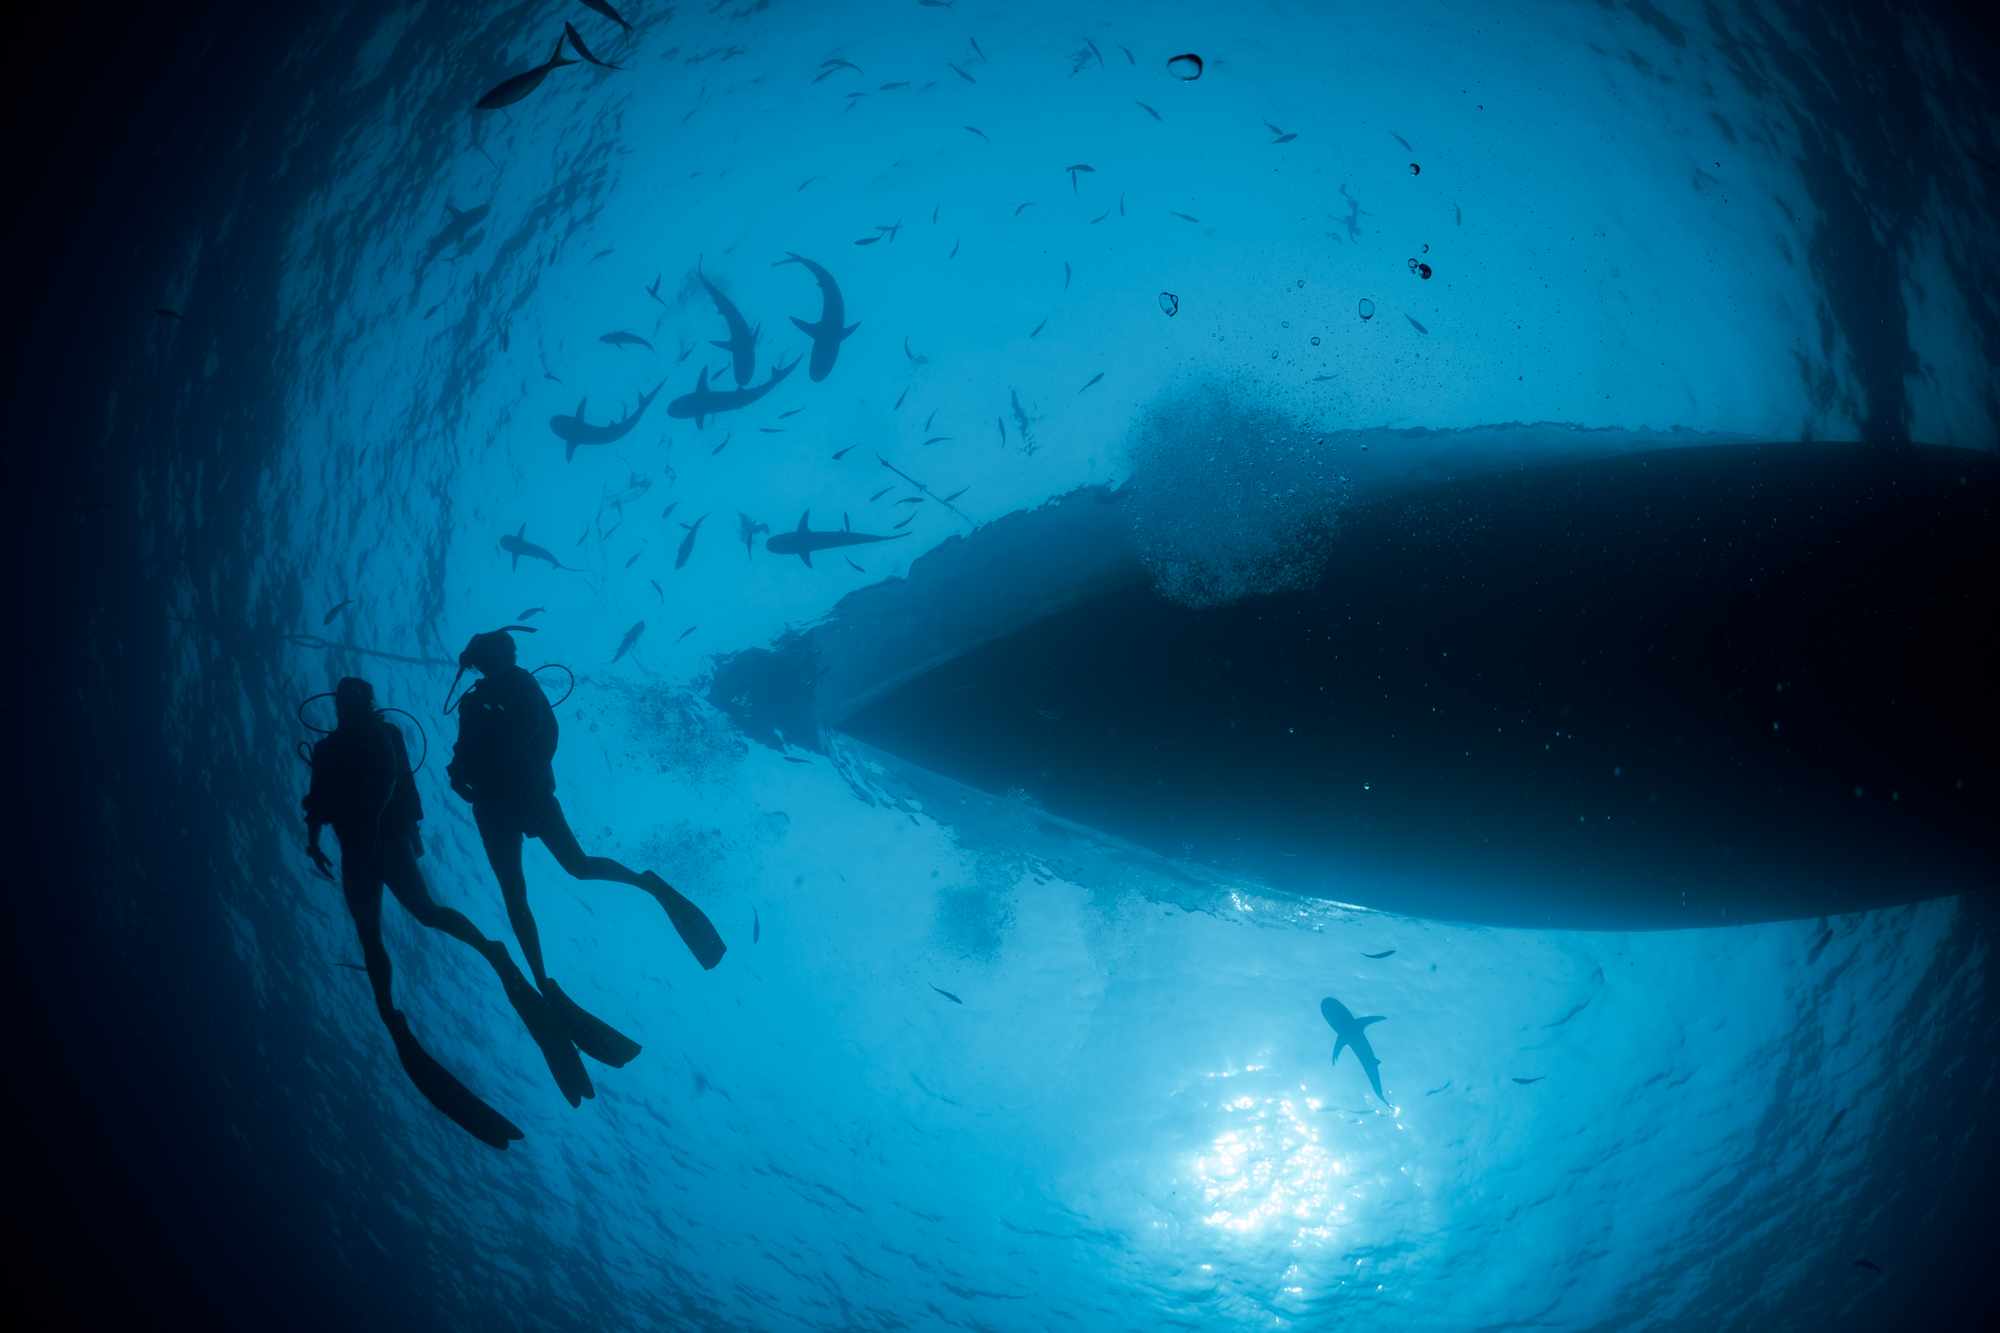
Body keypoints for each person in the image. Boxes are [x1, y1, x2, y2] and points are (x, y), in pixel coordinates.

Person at [304, 676, 594, 1150]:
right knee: (369, 936)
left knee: (426, 913)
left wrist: (373, 826)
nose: (351, 705)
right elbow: (316, 800)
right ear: (338, 702)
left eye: (357, 699)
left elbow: (390, 775)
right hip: (356, 848)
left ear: (365, 702)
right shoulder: (327, 749)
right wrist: (314, 842)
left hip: (388, 841)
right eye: (346, 699)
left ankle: (492, 951)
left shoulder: (382, 734)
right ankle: (388, 1014)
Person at [445, 628, 725, 1069]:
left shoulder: (520, 682)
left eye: (481, 655)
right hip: (495, 802)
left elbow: (534, 728)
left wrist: (493, 764)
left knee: (576, 866)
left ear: (487, 655)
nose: (478, 661)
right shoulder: (473, 699)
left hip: (525, 791)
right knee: (515, 893)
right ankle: (541, 980)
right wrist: (457, 771)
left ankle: (647, 884)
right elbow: (466, 747)